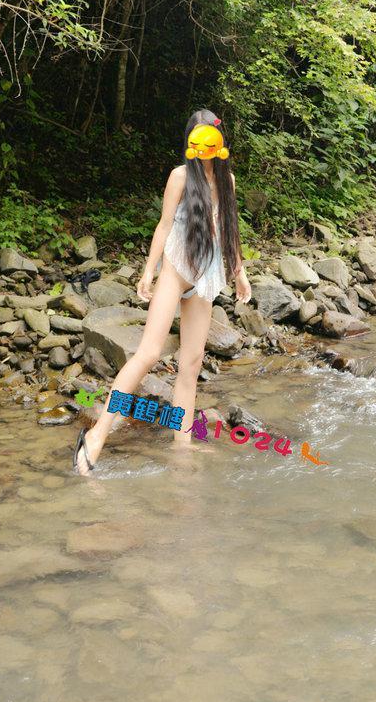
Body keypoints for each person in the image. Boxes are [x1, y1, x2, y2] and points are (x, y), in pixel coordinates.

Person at [73, 108, 252, 475]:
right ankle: (96, 436)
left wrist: (240, 272)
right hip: (175, 271)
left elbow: (229, 231)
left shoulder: (228, 180)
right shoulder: (180, 177)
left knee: (191, 363)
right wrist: (148, 271)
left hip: (205, 276)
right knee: (149, 354)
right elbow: (164, 225)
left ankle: (182, 446)